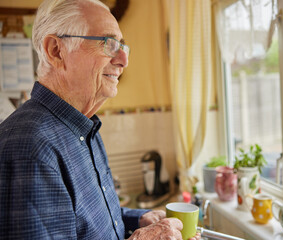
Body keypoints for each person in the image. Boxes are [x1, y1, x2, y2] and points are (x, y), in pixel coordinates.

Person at [0, 0, 200, 239]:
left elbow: (87, 222)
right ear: (56, 51)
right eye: (109, 43)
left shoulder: (83, 127)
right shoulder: (31, 148)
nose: (123, 61)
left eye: (122, 46)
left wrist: (138, 219)